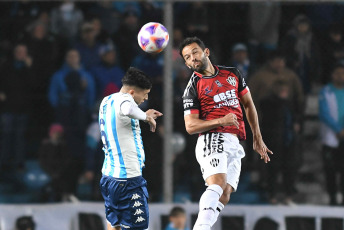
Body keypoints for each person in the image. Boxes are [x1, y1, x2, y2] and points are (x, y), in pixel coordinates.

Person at [179, 37, 272, 230]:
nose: (192, 58)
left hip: (234, 139)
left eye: (195, 52)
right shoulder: (193, 87)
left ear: (206, 52)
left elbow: (248, 104)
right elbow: (190, 126)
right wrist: (221, 121)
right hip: (212, 137)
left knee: (225, 193)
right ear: (187, 64)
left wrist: (257, 137)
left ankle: (203, 226)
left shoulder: (232, 73)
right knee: (217, 184)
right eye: (187, 57)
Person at [99, 67, 163, 230]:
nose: (146, 98)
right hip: (128, 181)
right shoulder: (125, 101)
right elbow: (127, 108)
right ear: (133, 92)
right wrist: (145, 116)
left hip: (109, 177)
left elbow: (126, 113)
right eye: (145, 93)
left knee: (114, 224)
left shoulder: (107, 100)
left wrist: (142, 113)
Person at [260, 81, 298, 205]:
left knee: (289, 168)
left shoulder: (290, 104)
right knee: (273, 168)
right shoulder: (268, 102)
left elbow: (295, 118)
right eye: (281, 89)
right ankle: (272, 195)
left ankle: (288, 195)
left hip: (288, 140)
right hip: (274, 140)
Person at [319, 63, 344, 205]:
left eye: (343, 73)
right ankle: (333, 198)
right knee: (330, 170)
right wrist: (338, 129)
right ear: (332, 75)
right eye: (338, 73)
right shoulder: (325, 91)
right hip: (330, 137)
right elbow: (324, 113)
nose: (340, 76)